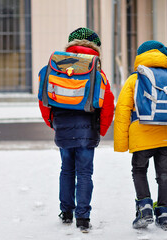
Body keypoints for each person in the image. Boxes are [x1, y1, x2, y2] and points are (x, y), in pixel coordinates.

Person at [38, 27, 115, 231]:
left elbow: (43, 98)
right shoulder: (97, 70)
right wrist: (102, 129)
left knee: (66, 170)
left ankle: (66, 212)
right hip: (87, 127)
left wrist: (52, 122)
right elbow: (108, 103)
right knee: (84, 173)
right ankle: (83, 217)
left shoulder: (56, 66)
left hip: (62, 126)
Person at [113, 40, 167, 231]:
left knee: (139, 170)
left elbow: (122, 111)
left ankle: (144, 209)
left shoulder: (135, 78)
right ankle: (164, 214)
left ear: (141, 55)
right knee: (164, 174)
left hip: (141, 133)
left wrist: (121, 143)